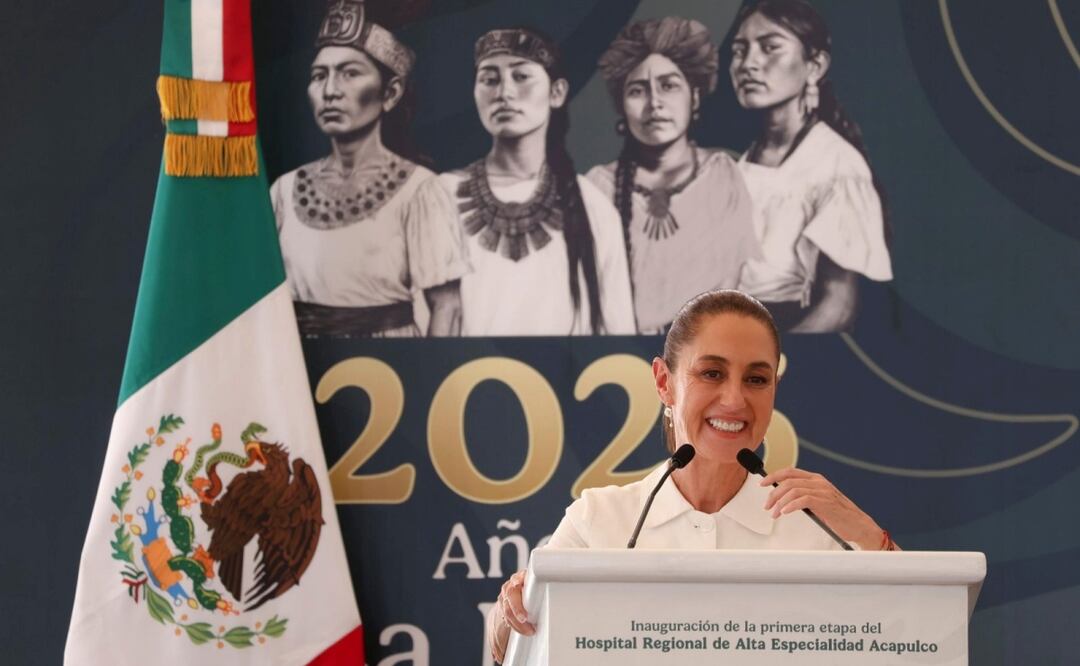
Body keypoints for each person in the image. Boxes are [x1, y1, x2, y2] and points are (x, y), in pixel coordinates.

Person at [486, 289, 898, 662]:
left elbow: (910, 641)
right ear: (664, 382)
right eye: (712, 373)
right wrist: (511, 609)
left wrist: (867, 535)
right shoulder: (600, 519)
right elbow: (510, 648)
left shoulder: (811, 523)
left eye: (756, 379)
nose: (735, 399)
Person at [406, 28, 635, 335]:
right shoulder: (439, 196)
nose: (504, 93)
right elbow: (424, 333)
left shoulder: (593, 206)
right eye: (490, 79)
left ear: (557, 92)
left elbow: (617, 338)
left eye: (521, 77)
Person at [270, 0, 467, 337]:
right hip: (303, 366)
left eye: (350, 73)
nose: (330, 91)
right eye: (320, 75)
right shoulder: (285, 191)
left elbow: (447, 308)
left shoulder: (420, 190)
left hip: (388, 370)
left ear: (390, 93)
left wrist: (428, 382)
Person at [729, 0, 892, 332]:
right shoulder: (740, 164)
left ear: (815, 66)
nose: (749, 64)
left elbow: (839, 305)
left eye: (770, 47)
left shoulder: (837, 165)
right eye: (739, 51)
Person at [587, 17, 759, 334]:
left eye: (669, 86)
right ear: (622, 107)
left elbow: (728, 291)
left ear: (693, 98)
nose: (655, 103)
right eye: (638, 90)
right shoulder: (597, 187)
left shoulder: (722, 175)